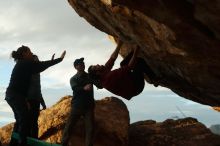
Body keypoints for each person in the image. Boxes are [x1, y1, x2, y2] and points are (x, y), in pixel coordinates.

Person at [5, 45, 66, 146]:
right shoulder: (25, 63)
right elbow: (41, 65)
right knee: (24, 119)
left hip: (14, 95)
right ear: (24, 53)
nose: (32, 53)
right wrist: (59, 60)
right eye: (30, 52)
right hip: (15, 95)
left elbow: (39, 68)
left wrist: (25, 100)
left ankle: (15, 142)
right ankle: (22, 142)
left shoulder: (22, 64)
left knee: (20, 120)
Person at [88, 40, 159, 100]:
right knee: (139, 62)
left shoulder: (103, 72)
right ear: (97, 73)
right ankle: (155, 79)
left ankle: (133, 50)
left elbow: (112, 59)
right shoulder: (109, 78)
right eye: (95, 67)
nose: (97, 64)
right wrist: (137, 50)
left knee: (123, 64)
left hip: (129, 83)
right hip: (136, 88)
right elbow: (129, 67)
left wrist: (119, 44)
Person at [62, 58, 99, 146]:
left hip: (89, 107)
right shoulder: (73, 78)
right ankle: (63, 144)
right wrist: (84, 88)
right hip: (77, 106)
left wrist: (97, 74)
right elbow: (75, 88)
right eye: (80, 64)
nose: (82, 64)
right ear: (76, 67)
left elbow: (100, 85)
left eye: (83, 63)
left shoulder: (90, 76)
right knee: (69, 127)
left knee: (90, 129)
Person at [26, 55, 47, 139]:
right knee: (28, 121)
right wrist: (25, 100)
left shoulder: (38, 74)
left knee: (34, 122)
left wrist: (43, 103)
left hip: (36, 100)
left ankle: (34, 140)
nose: (38, 61)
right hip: (29, 100)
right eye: (36, 60)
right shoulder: (28, 72)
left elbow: (38, 90)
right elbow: (25, 87)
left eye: (38, 60)